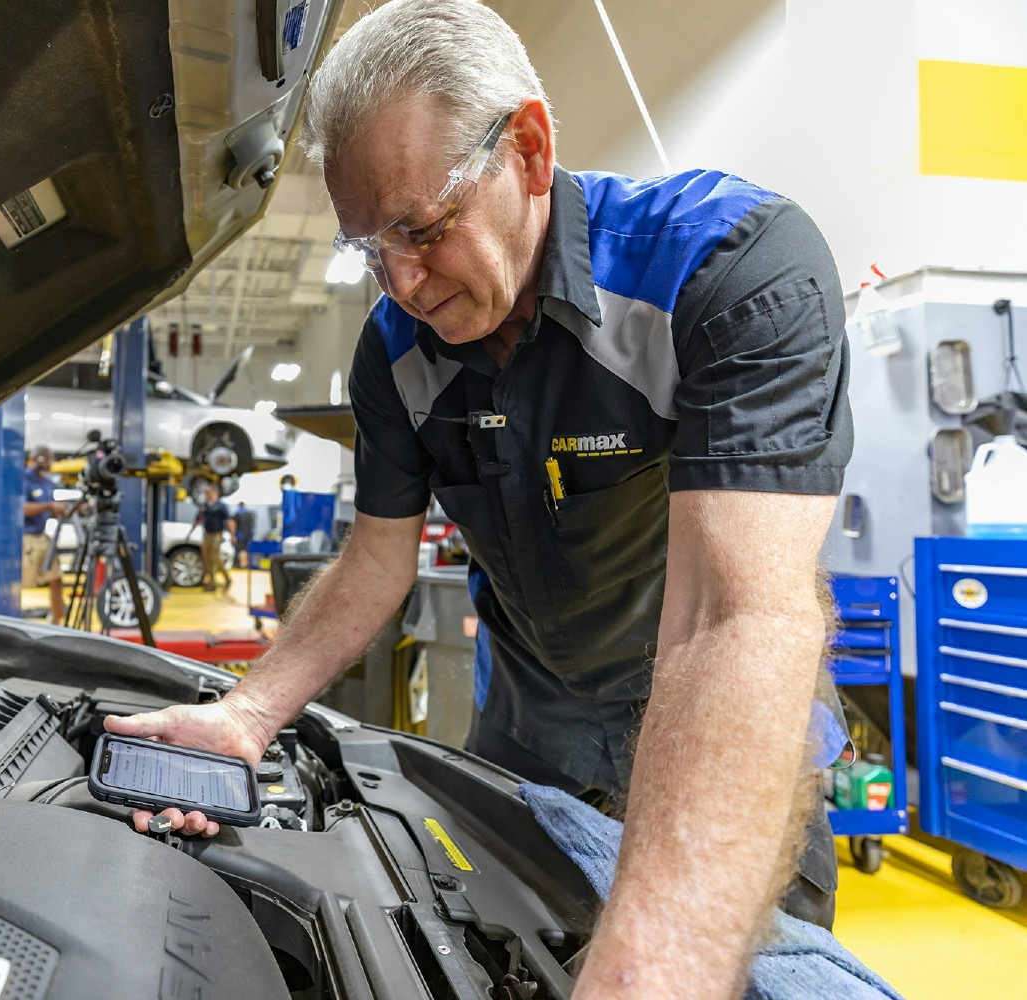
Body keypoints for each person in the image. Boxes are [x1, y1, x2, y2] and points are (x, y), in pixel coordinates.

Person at [106, 2, 856, 996]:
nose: (405, 282)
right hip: (528, 750)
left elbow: (736, 613)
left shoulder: (724, 272)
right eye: (373, 247)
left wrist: (654, 962)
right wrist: (246, 715)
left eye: (421, 228)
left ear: (531, 151)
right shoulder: (396, 352)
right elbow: (376, 560)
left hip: (718, 748)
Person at [23, 446, 67, 623]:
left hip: (43, 538)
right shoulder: (24, 479)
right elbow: (22, 509)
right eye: (48, 459)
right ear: (38, 459)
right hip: (26, 539)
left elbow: (50, 510)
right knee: (23, 584)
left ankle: (56, 623)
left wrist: (68, 509)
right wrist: (49, 506)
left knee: (56, 580)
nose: (51, 463)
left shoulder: (47, 482)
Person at [194, 483, 233, 592]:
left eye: (208, 493)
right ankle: (212, 583)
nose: (207, 495)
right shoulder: (205, 506)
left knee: (215, 558)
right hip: (207, 534)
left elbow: (229, 520)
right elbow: (198, 519)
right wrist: (189, 533)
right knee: (207, 558)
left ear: (214, 493)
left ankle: (227, 579)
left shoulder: (221, 506)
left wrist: (233, 535)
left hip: (217, 534)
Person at [232, 502, 256, 568]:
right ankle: (246, 564)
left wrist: (234, 535)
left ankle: (242, 565)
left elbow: (233, 524)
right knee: (246, 549)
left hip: (240, 534)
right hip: (248, 534)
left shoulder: (237, 514)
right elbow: (252, 525)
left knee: (241, 550)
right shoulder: (248, 513)